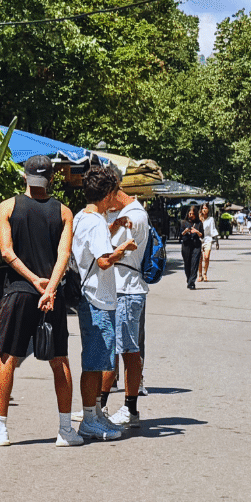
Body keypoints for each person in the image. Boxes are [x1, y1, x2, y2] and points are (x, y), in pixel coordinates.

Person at [0, 155, 77, 447]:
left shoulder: (8, 207)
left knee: (7, 356)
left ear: (24, 177)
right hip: (51, 297)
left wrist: (33, 281)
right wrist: (49, 289)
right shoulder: (64, 212)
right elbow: (64, 256)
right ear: (52, 180)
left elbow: (7, 252)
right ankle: (66, 430)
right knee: (60, 359)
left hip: (19, 291)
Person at [69, 165, 138, 441]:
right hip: (99, 298)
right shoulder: (96, 222)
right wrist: (123, 248)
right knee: (96, 362)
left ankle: (95, 413)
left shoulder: (82, 217)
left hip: (90, 296)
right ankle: (89, 418)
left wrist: (114, 226)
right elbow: (103, 261)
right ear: (108, 194)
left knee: (98, 359)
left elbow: (91, 247)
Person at [99, 175, 152, 430]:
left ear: (112, 193)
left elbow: (106, 253)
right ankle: (100, 406)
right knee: (115, 348)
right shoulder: (124, 214)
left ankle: (130, 408)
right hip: (120, 288)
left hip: (127, 290)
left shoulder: (134, 216)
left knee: (128, 350)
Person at [179, 205, 203, 289]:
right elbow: (180, 236)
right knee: (187, 263)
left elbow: (202, 235)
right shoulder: (183, 222)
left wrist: (196, 231)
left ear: (195, 214)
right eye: (189, 213)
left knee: (195, 263)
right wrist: (185, 231)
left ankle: (192, 282)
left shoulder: (199, 223)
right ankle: (189, 279)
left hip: (196, 245)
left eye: (192, 214)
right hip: (186, 245)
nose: (191, 215)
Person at [198, 204, 214, 282]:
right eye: (203, 208)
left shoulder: (211, 219)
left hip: (208, 239)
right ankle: (200, 274)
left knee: (206, 257)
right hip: (199, 239)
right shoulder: (198, 218)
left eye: (206, 208)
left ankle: (205, 273)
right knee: (200, 258)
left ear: (208, 210)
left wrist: (216, 239)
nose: (204, 210)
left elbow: (213, 230)